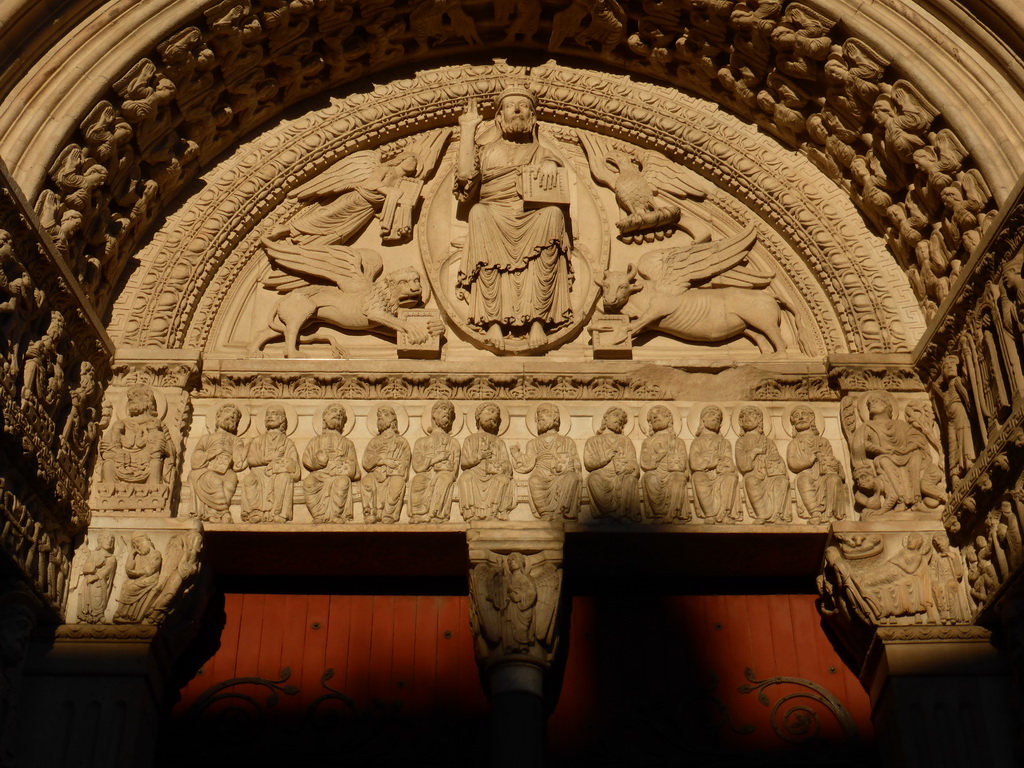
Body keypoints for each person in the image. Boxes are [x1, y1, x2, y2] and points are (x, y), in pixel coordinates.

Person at [455, 84, 573, 348]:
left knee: (553, 214)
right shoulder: (486, 151)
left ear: (533, 118)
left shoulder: (541, 152)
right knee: (478, 212)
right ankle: (493, 321)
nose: (517, 110)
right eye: (510, 106)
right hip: (494, 213)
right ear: (499, 117)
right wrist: (467, 130)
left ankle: (538, 322)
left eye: (524, 107)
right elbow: (465, 178)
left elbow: (555, 175)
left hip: (532, 216)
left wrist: (549, 164)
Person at [851, 392, 946, 515]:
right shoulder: (867, 426)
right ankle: (901, 500)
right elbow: (861, 444)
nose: (872, 405)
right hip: (886, 457)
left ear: (887, 406)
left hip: (905, 454)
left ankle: (916, 500)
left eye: (876, 401)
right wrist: (880, 450)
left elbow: (916, 439)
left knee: (916, 456)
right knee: (883, 460)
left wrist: (906, 449)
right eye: (869, 404)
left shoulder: (900, 425)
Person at [511, 403, 581, 521]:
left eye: (544, 413)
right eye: (538, 416)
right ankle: (545, 513)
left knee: (572, 477)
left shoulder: (567, 441)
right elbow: (527, 462)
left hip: (562, 472)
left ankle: (560, 511)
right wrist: (516, 453)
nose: (540, 418)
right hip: (541, 470)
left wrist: (568, 465)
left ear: (555, 417)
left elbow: (576, 461)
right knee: (534, 480)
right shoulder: (533, 443)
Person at [786, 405, 848, 523]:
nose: (800, 417)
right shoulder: (793, 443)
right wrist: (810, 460)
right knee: (803, 480)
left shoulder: (823, 441)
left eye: (804, 414)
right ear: (793, 422)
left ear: (811, 418)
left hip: (824, 475)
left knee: (834, 479)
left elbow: (830, 460)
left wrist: (829, 463)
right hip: (807, 474)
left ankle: (831, 515)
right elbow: (792, 463)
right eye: (796, 416)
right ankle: (815, 513)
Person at [240, 405, 300, 523]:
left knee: (284, 477)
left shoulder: (287, 442)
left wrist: (284, 465)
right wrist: (268, 459)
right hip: (258, 472)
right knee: (249, 480)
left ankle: (277, 513)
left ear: (282, 419)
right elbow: (251, 460)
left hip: (277, 473)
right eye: (267, 414)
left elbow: (294, 466)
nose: (269, 417)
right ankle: (255, 512)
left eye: (274, 414)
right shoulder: (257, 440)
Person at [189, 404, 247, 522]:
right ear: (218, 417)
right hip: (207, 469)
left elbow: (239, 458)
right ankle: (224, 512)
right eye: (227, 413)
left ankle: (215, 513)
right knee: (214, 480)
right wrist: (210, 454)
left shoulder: (236, 440)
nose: (231, 416)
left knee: (231, 480)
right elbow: (195, 457)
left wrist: (238, 456)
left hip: (226, 470)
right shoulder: (206, 438)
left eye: (234, 417)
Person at [302, 404, 359, 523]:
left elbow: (353, 467)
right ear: (324, 418)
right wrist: (318, 461)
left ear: (343, 423)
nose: (337, 414)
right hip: (320, 474)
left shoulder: (348, 443)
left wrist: (340, 468)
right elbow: (306, 459)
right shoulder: (315, 440)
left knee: (343, 482)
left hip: (338, 474)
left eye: (340, 414)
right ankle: (319, 515)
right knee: (308, 482)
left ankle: (335, 515)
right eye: (333, 411)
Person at [459, 403, 515, 521]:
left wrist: (499, 466)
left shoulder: (499, 442)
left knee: (503, 480)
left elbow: (507, 465)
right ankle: (470, 513)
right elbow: (464, 462)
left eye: (496, 415)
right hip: (475, 473)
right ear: (478, 416)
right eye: (489, 411)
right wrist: (479, 457)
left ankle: (494, 512)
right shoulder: (470, 439)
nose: (493, 415)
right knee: (465, 477)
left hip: (493, 474)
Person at [584, 407, 640, 520]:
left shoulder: (625, 440)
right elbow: (589, 463)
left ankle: (624, 514)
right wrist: (605, 458)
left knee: (630, 480)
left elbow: (633, 461)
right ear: (605, 418)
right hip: (601, 474)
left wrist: (630, 467)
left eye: (622, 419)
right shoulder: (593, 441)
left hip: (622, 475)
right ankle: (607, 514)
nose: (619, 419)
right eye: (615, 415)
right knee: (592, 478)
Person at [410, 400, 460, 522]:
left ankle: (436, 515)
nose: (447, 412)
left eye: (449, 412)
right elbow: (417, 465)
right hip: (426, 473)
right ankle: (419, 514)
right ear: (433, 414)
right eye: (443, 409)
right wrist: (435, 459)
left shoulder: (453, 443)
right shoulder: (421, 441)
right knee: (418, 479)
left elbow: (455, 468)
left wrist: (446, 466)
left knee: (445, 478)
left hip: (444, 474)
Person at [360, 406, 411, 523]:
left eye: (385, 415)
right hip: (376, 473)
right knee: (366, 481)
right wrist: (382, 461)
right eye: (379, 416)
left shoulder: (401, 441)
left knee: (397, 483)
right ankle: (370, 513)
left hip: (393, 474)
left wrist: (394, 466)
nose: (380, 418)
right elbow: (366, 461)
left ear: (393, 420)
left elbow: (405, 461)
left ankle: (388, 514)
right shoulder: (374, 441)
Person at [639, 405, 690, 522]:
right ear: (650, 423)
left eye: (660, 413)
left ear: (669, 419)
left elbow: (684, 465)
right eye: (652, 416)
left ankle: (672, 514)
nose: (656, 415)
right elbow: (645, 463)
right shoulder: (647, 442)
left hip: (673, 474)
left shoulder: (678, 441)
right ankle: (659, 515)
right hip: (656, 473)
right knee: (648, 478)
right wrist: (658, 456)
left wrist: (676, 463)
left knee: (679, 478)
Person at [688, 405, 739, 524]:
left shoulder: (724, 442)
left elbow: (729, 463)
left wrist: (721, 463)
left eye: (718, 418)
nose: (715, 418)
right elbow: (694, 463)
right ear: (702, 420)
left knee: (731, 478)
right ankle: (709, 514)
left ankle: (724, 513)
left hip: (721, 474)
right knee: (698, 477)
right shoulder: (697, 442)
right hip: (703, 473)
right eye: (710, 414)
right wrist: (713, 461)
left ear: (720, 424)